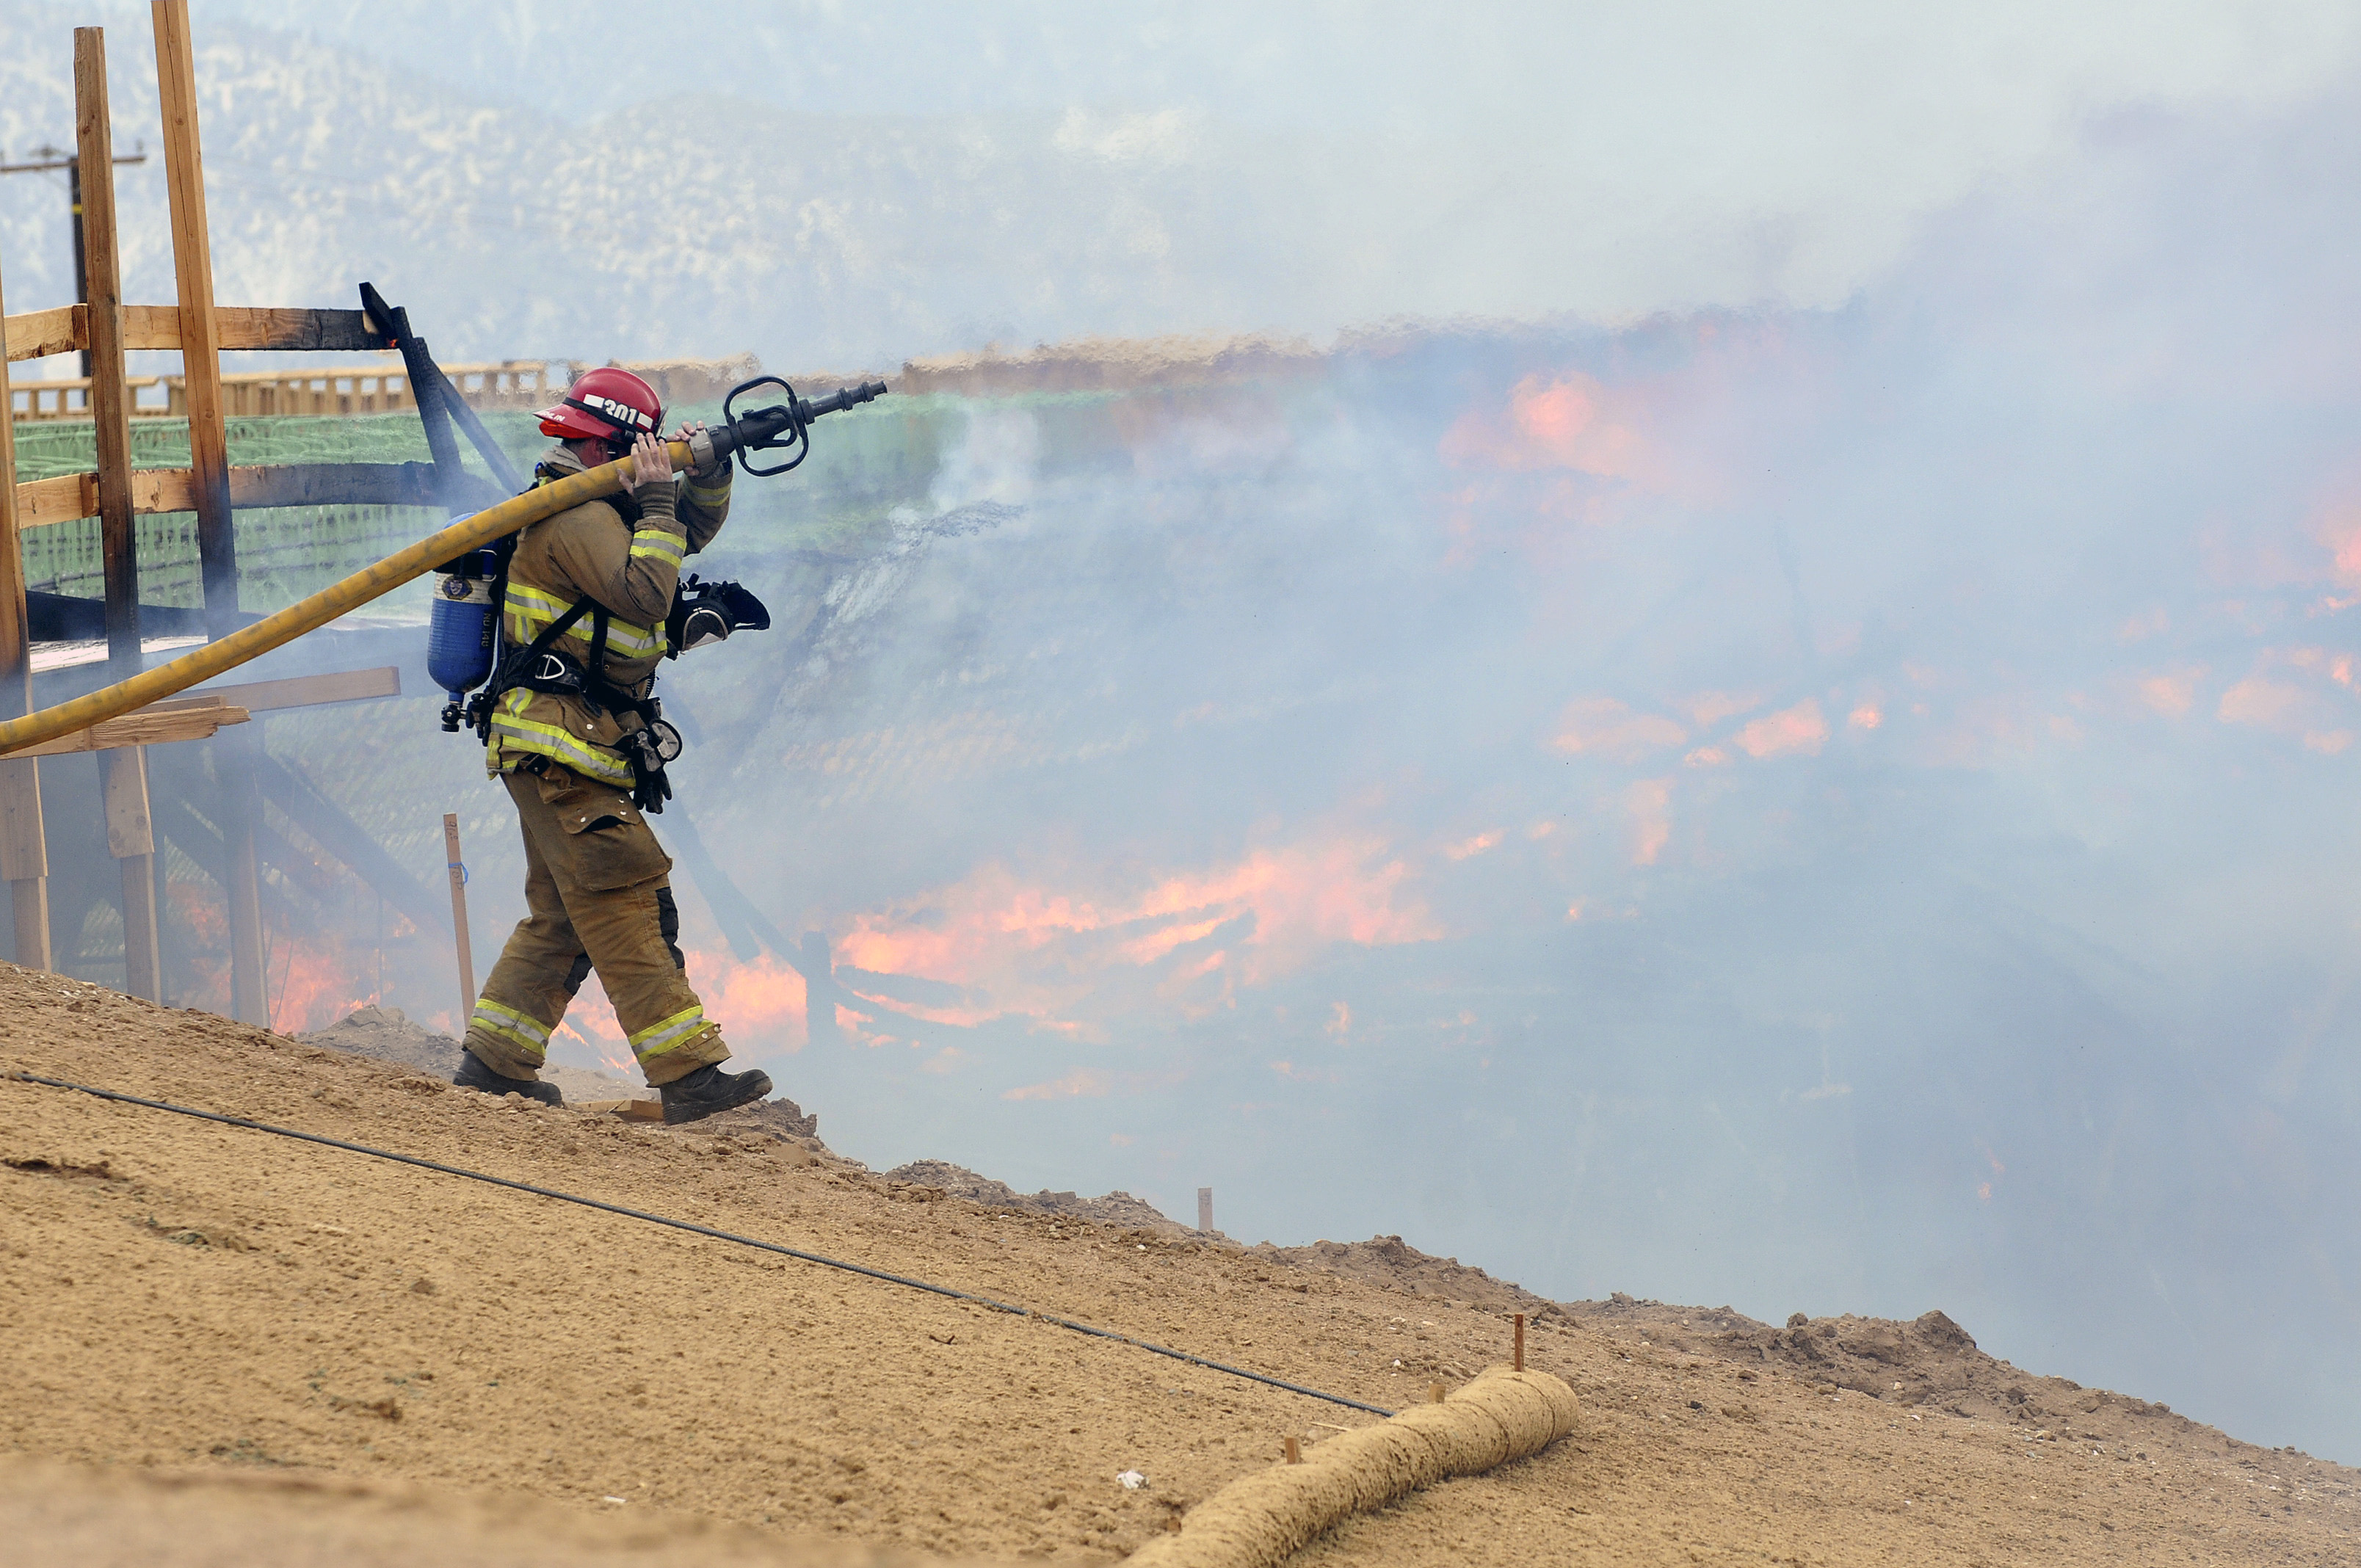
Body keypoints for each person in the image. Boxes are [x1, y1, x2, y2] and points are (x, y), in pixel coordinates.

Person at [450, 366, 773, 1124]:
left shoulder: (600, 504)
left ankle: (493, 1066)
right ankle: (688, 1074)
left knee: (566, 917)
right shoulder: (576, 516)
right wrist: (660, 499)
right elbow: (647, 592)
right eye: (648, 451)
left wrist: (710, 473)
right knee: (628, 897)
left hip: (567, 744)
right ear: (616, 448)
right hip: (562, 749)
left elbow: (682, 537)